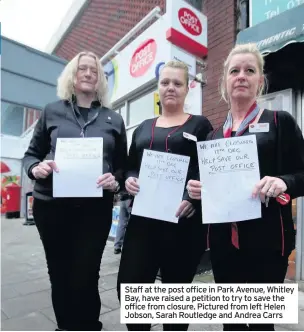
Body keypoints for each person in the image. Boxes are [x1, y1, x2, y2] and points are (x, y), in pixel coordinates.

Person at [187, 43, 304, 331]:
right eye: (234, 71)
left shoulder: (279, 122)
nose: (241, 76)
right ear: (225, 81)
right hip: (223, 244)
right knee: (232, 322)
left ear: (260, 81)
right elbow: (208, 191)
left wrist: (283, 182)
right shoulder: (213, 136)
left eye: (249, 71)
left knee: (262, 324)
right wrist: (196, 192)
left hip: (268, 242)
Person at [23, 51, 128, 331]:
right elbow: (31, 155)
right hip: (52, 207)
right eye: (83, 69)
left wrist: (115, 181)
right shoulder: (52, 111)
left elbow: (122, 167)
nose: (88, 74)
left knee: (86, 272)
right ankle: (66, 326)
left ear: (100, 80)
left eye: (95, 71)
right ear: (73, 74)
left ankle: (89, 325)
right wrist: (36, 168)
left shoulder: (113, 120)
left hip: (95, 210)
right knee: (59, 272)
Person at [117, 60, 213, 331]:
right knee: (132, 288)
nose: (170, 88)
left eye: (177, 83)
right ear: (158, 88)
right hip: (143, 223)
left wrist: (193, 196)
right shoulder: (143, 128)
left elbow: (207, 168)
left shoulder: (200, 125)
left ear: (187, 87)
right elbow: (129, 165)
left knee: (176, 296)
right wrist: (129, 180)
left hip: (183, 223)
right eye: (165, 82)